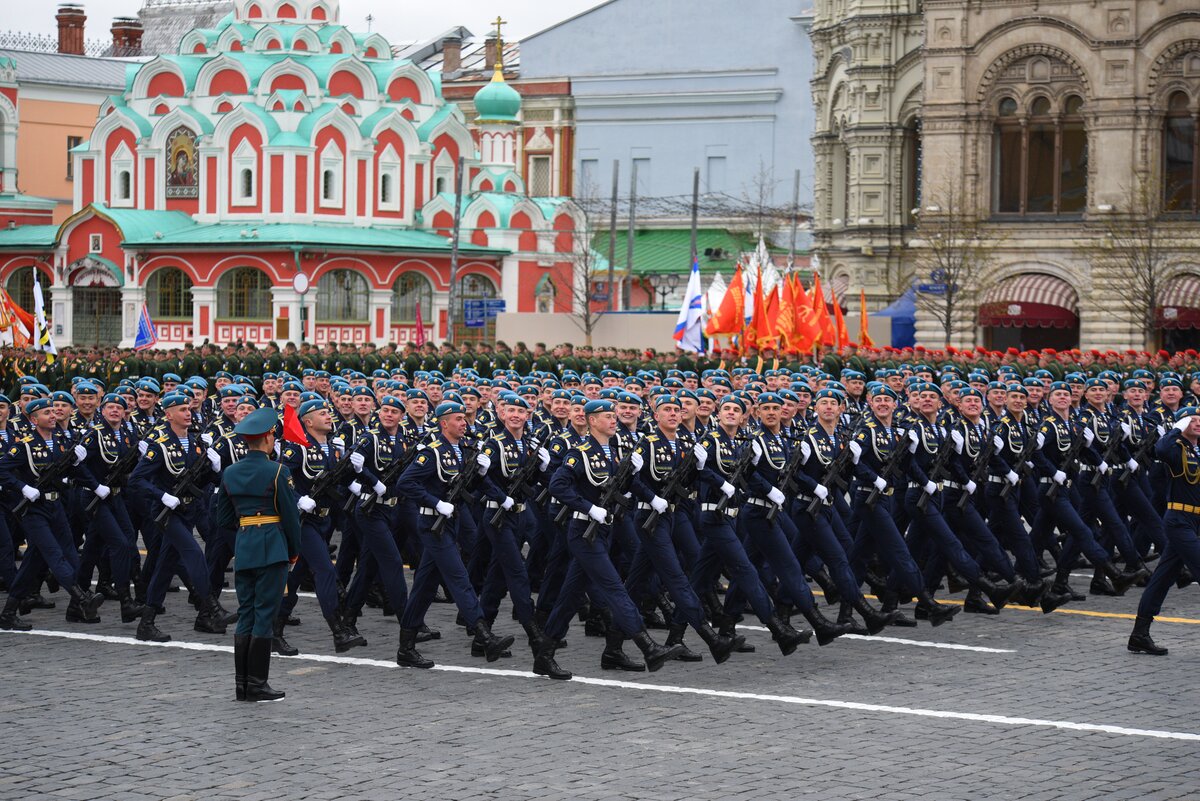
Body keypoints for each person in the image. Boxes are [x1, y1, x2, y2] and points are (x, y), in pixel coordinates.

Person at [213, 406, 301, 702]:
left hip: (245, 546)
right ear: (267, 438)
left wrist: (247, 527)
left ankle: (242, 684)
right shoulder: (278, 471)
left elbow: (223, 518)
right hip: (272, 548)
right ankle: (258, 684)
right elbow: (290, 518)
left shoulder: (230, 471)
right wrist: (292, 552)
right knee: (265, 614)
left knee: (246, 614)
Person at [1127, 406, 1200, 656]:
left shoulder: (1196, 450)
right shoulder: (1174, 447)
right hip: (1179, 520)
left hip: (1195, 522)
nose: (1197, 422)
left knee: (1162, 579)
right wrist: (1176, 428)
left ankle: (1139, 635)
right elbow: (1159, 450)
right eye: (1192, 419)